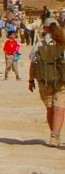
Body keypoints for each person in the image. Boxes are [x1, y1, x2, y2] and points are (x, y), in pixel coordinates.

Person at [28, 18, 64, 147]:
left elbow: (33, 63)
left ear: (45, 28)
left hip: (45, 80)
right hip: (62, 81)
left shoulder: (40, 44)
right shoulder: (63, 44)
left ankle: (53, 135)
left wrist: (31, 80)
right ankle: (55, 135)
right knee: (60, 107)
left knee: (50, 109)